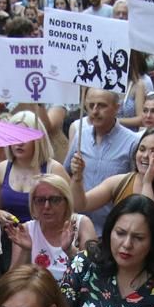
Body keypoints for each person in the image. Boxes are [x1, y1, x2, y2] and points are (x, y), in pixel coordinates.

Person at [70, 126, 154, 237]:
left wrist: (147, 182)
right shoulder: (120, 181)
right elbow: (81, 205)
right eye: (142, 149)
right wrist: (77, 177)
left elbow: (151, 227)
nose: (145, 156)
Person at [64, 88, 140, 232]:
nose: (95, 111)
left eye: (102, 105)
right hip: (78, 228)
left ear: (117, 108)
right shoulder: (81, 137)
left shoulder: (132, 142)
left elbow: (136, 185)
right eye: (91, 105)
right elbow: (65, 172)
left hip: (112, 229)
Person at [5, 173, 95, 280]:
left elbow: (93, 273)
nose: (46, 206)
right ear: (33, 203)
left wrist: (70, 250)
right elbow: (12, 281)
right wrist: (26, 251)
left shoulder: (82, 224)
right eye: (40, 200)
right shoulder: (26, 230)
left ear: (67, 201)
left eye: (54, 200)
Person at [0, 111, 68, 224]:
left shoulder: (54, 169)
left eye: (25, 136)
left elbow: (70, 210)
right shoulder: (1, 169)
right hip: (9, 237)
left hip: (44, 237)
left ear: (39, 140)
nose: (19, 143)